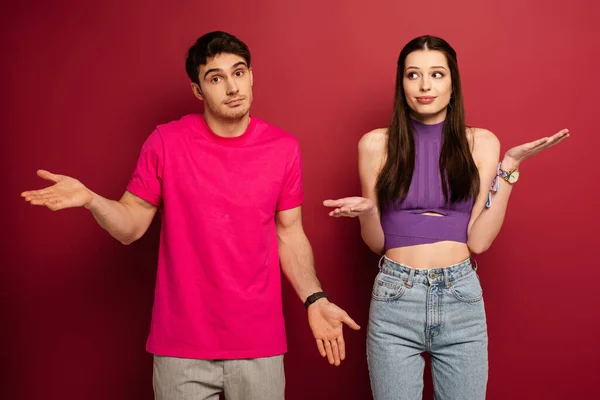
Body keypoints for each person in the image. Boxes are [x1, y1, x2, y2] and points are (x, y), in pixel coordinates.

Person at [21, 31, 360, 400]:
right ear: (198, 90)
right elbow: (130, 227)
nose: (232, 87)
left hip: (258, 344)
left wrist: (315, 298)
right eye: (216, 78)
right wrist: (91, 199)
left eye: (239, 72)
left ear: (251, 76)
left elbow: (290, 234)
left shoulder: (283, 148)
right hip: (180, 347)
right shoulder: (166, 142)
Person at [324, 34, 569, 400]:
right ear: (401, 84)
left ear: (453, 83)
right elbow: (376, 242)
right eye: (413, 75)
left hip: (461, 297)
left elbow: (479, 241)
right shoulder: (374, 144)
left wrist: (510, 169)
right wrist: (371, 212)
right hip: (395, 296)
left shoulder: (482, 143)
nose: (425, 85)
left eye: (437, 74)